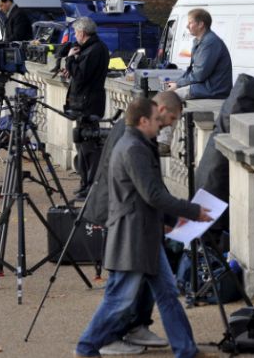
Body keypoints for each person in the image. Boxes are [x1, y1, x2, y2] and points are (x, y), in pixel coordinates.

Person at [76, 97, 212, 358]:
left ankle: (185, 349)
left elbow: (150, 195)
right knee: (120, 300)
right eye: (156, 120)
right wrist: (192, 211)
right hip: (133, 236)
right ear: (143, 121)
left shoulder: (136, 144)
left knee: (167, 294)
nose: (161, 126)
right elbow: (153, 195)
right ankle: (87, 346)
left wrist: (174, 219)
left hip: (141, 234)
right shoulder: (134, 148)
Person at [61, 17, 109, 199]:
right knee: (82, 145)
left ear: (82, 33)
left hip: (88, 103)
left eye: (76, 32)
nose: (75, 36)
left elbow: (81, 76)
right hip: (85, 102)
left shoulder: (95, 50)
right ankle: (85, 183)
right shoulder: (91, 48)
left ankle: (91, 185)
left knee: (89, 147)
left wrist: (70, 61)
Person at [166, 8, 232, 100]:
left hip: (212, 90)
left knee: (169, 98)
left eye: (190, 23)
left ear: (201, 24)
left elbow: (199, 74)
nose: (187, 26)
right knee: (166, 93)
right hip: (204, 87)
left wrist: (178, 84)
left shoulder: (210, 42)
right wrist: (177, 82)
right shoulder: (200, 41)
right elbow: (192, 71)